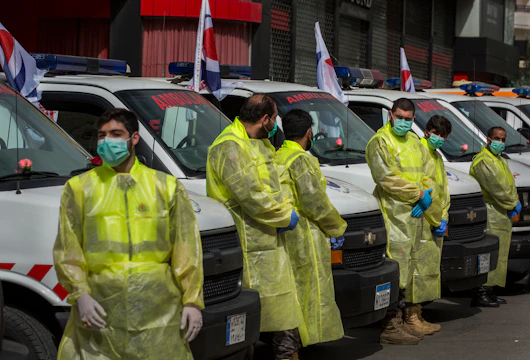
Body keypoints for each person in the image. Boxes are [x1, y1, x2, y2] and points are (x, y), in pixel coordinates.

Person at [53, 109, 204, 359]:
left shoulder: (165, 187)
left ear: (134, 138)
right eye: (102, 135)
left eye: (115, 133)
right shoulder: (79, 188)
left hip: (158, 308)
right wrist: (80, 295)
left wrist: (192, 301)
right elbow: (68, 248)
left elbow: (186, 248)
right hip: (100, 307)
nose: (107, 141)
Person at [206, 94, 301, 360]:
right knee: (245, 310)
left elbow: (277, 181)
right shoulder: (230, 146)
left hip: (269, 238)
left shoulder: (260, 142)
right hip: (247, 239)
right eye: (275, 117)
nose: (276, 123)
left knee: (279, 305)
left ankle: (286, 354)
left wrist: (286, 208)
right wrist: (283, 216)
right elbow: (250, 195)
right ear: (264, 119)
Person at [365, 98, 440, 345]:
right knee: (396, 268)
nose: (404, 123)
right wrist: (417, 193)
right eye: (400, 117)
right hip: (393, 215)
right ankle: (390, 324)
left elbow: (429, 173)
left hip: (415, 215)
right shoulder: (380, 142)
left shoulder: (415, 143)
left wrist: (426, 195)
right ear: (390, 115)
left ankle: (407, 318)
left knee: (412, 268)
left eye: (409, 119)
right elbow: (386, 178)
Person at [276, 109, 346, 347]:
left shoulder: (279, 155)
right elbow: (315, 202)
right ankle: (295, 345)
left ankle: (288, 346)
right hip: (306, 235)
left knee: (291, 291)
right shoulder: (302, 160)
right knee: (309, 292)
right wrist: (337, 228)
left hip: (286, 233)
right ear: (309, 132)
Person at [469, 126, 521, 307]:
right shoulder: (483, 161)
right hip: (490, 214)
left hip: (501, 215)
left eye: (503, 139)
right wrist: (513, 203)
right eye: (497, 138)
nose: (500, 142)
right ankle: (480, 292)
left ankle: (490, 290)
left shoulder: (499, 160)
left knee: (499, 255)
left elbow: (509, 185)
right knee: (487, 256)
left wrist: (513, 201)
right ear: (488, 139)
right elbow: (497, 189)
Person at [415, 115, 453, 332]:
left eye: (443, 136)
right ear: (427, 130)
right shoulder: (419, 151)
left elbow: (443, 190)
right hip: (420, 218)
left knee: (427, 269)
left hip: (434, 220)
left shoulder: (436, 156)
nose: (439, 138)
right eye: (436, 133)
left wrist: (443, 218)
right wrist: (431, 214)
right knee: (416, 270)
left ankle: (417, 313)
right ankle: (411, 315)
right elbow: (419, 185)